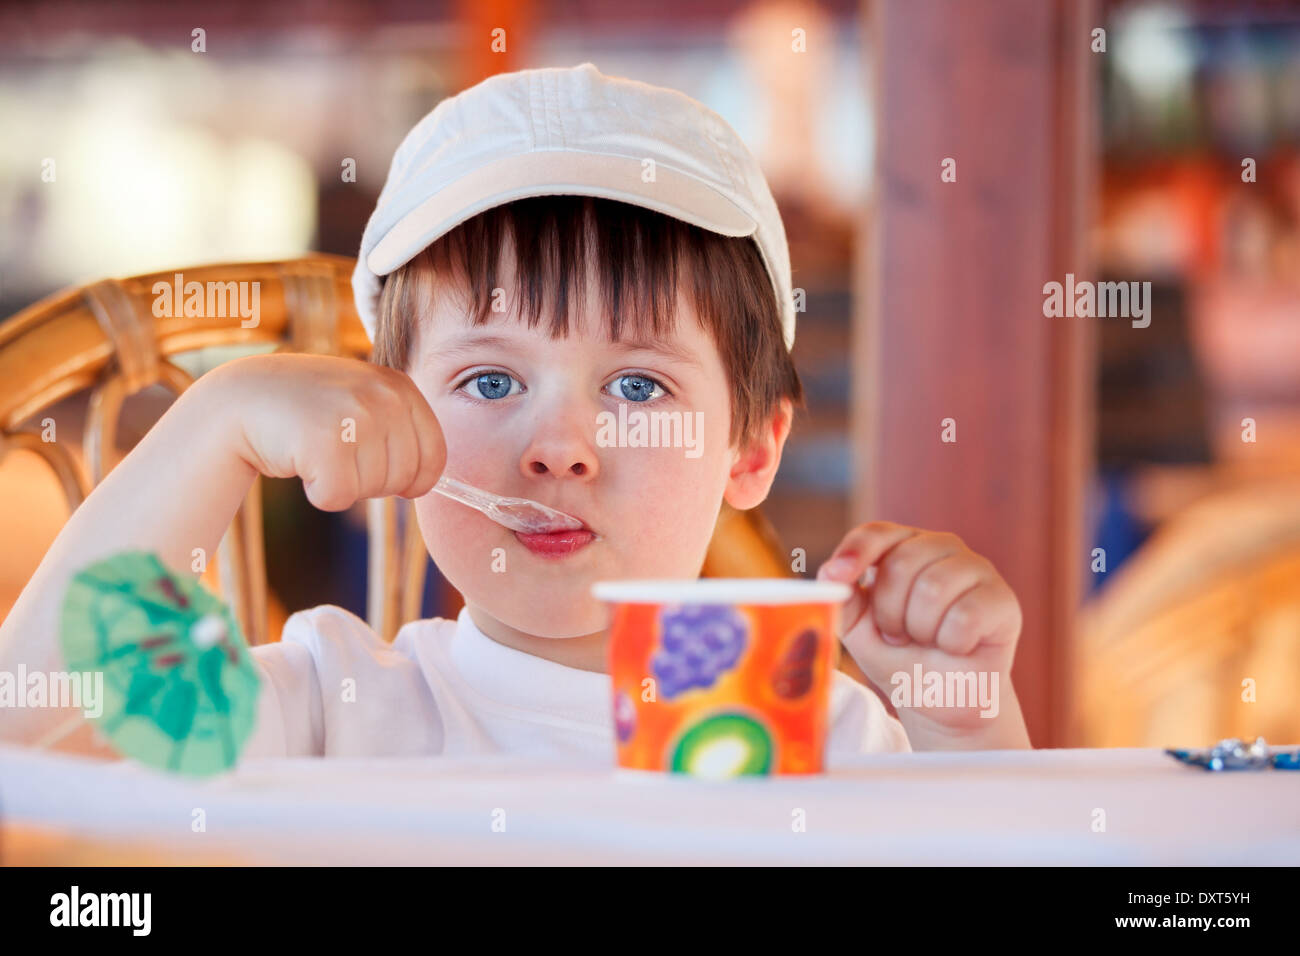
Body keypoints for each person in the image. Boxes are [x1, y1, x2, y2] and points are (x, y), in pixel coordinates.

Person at [0, 63, 1030, 761]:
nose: (559, 450)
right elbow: (27, 743)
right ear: (387, 415)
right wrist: (210, 426)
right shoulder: (333, 706)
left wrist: (960, 725)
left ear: (750, 447)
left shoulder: (811, 734)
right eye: (491, 381)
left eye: (637, 386)